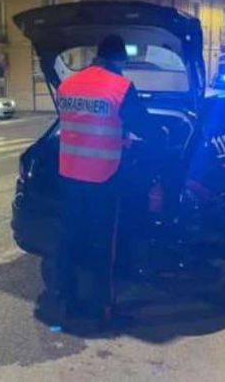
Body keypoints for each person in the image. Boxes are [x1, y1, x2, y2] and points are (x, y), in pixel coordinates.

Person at [56, 35, 166, 324]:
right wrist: (163, 137)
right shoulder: (120, 86)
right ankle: (102, 310)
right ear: (119, 60)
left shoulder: (67, 85)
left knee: (71, 241)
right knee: (103, 245)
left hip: (69, 175)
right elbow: (143, 126)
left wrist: (118, 137)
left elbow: (82, 125)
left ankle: (68, 301)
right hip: (102, 177)